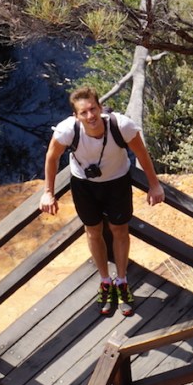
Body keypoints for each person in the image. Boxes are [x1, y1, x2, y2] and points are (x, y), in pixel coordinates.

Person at [40, 87, 164, 317]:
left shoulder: (121, 126)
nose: (90, 116)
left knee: (119, 229)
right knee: (93, 231)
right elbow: (52, 157)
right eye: (83, 112)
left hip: (117, 182)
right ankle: (105, 281)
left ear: (100, 108)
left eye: (93, 109)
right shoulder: (68, 131)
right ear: (75, 116)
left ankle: (122, 281)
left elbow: (142, 154)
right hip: (84, 185)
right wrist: (48, 192)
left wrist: (154, 184)